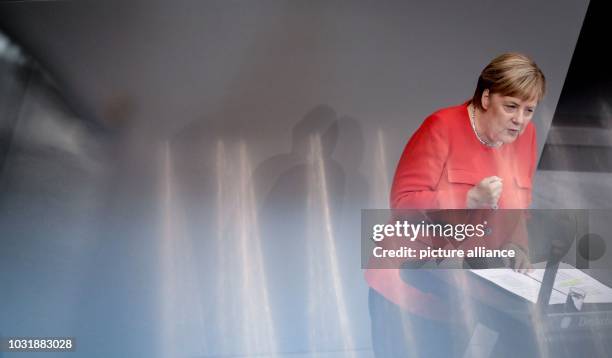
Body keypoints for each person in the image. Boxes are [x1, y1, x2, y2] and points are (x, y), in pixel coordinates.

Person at [366, 53, 546, 357]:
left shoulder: (526, 136)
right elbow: (403, 203)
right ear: (486, 97)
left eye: (529, 110)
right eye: (511, 106)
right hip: (409, 285)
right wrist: (466, 199)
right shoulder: (442, 126)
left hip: (464, 293)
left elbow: (519, 205)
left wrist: (518, 248)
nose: (520, 119)